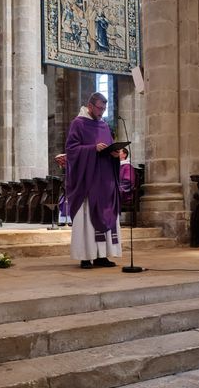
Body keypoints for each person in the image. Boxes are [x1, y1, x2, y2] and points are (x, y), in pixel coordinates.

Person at [65, 92, 122, 269]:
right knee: (87, 219)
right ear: (90, 106)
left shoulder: (104, 126)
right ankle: (86, 257)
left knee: (106, 214)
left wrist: (114, 154)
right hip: (88, 181)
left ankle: (102, 256)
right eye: (100, 108)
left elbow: (109, 146)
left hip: (105, 181)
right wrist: (92, 149)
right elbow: (72, 150)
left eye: (105, 108)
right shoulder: (78, 123)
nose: (102, 112)